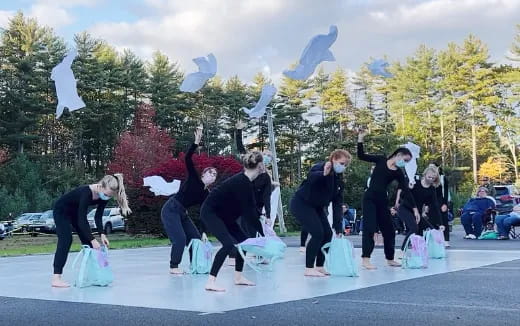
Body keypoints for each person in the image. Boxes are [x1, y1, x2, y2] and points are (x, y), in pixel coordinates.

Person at [51, 174, 131, 288]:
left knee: (91, 245)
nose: (107, 197)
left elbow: (98, 217)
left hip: (75, 212)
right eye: (106, 194)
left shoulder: (104, 195)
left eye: (110, 196)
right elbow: (82, 219)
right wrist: (93, 239)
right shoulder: (87, 193)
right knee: (66, 239)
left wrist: (102, 234)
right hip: (61, 211)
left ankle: (96, 275)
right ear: (100, 186)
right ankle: (56, 278)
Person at [201, 151, 264, 292]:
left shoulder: (246, 182)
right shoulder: (242, 182)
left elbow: (251, 208)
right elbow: (249, 214)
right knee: (228, 245)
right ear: (260, 166)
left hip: (225, 215)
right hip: (211, 213)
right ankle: (211, 282)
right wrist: (265, 234)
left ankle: (238, 277)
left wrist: (262, 222)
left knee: (245, 243)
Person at [357, 130, 418, 270]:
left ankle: (390, 258)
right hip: (370, 198)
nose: (405, 163)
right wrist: (360, 139)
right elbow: (361, 156)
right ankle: (365, 259)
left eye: (408, 161)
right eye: (405, 160)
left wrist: (414, 208)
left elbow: (405, 190)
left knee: (389, 230)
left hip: (382, 201)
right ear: (398, 155)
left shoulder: (398, 172)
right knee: (370, 228)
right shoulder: (380, 160)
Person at [160, 127, 217, 274]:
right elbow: (187, 159)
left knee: (196, 240)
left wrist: (204, 232)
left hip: (182, 213)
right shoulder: (194, 178)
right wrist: (196, 143)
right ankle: (174, 267)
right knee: (180, 239)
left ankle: (195, 265)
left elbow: (204, 214)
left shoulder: (206, 194)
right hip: (171, 209)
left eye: (215, 175)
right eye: (210, 173)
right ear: (204, 174)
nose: (213, 176)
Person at [289, 149, 351, 277]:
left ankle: (319, 266)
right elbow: (311, 178)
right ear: (333, 159)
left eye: (345, 165)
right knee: (318, 233)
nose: (343, 167)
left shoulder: (339, 181)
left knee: (328, 234)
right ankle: (308, 268)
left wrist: (338, 227)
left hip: (317, 207)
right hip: (302, 204)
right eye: (341, 163)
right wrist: (324, 173)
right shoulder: (320, 167)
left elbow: (337, 205)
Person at [396, 165, 443, 251]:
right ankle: (403, 250)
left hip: (416, 213)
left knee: (430, 230)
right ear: (424, 175)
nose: (431, 180)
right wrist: (408, 188)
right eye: (429, 177)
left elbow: (434, 206)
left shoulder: (431, 189)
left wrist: (440, 224)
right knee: (414, 228)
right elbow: (403, 196)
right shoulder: (415, 183)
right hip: (405, 209)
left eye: (433, 178)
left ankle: (419, 250)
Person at [434, 164, 451, 247]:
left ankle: (446, 239)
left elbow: (445, 192)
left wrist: (445, 203)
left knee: (443, 220)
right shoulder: (427, 178)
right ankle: (434, 240)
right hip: (431, 201)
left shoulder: (442, 178)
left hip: (441, 201)